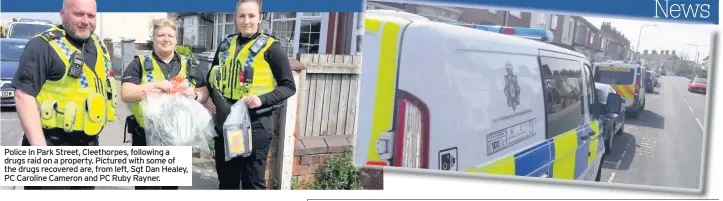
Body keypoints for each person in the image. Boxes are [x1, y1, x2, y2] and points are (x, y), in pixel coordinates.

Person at [9, 0, 117, 190]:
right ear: (62, 14)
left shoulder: (97, 44)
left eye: (91, 16)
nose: (86, 21)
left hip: (88, 145)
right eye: (78, 14)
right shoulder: (43, 46)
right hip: (51, 145)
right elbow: (23, 97)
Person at [206, 0, 296, 190]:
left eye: (251, 16)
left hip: (256, 124)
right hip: (227, 123)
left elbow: (289, 87)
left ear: (260, 18)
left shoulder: (272, 48)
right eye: (242, 16)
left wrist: (260, 100)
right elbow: (211, 77)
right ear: (235, 18)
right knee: (227, 180)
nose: (246, 21)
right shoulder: (225, 45)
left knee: (252, 182)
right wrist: (210, 98)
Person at [120, 18, 209, 190]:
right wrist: (153, 87)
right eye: (161, 35)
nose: (166, 39)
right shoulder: (139, 63)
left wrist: (195, 94)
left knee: (170, 188)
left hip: (176, 139)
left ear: (176, 39)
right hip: (145, 137)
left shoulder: (188, 64)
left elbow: (204, 91)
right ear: (153, 38)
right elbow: (126, 93)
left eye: (170, 35)